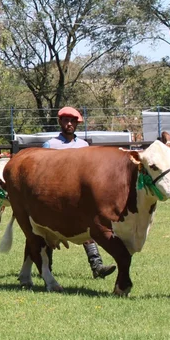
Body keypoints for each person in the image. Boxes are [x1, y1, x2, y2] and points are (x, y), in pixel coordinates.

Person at [42, 106, 117, 279]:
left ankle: (97, 266)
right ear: (60, 122)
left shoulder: (84, 146)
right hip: (55, 196)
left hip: (78, 198)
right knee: (47, 231)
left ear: (77, 124)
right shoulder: (50, 145)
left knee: (87, 229)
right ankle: (46, 268)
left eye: (73, 121)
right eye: (66, 120)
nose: (69, 124)